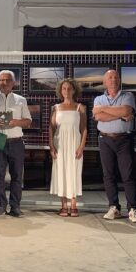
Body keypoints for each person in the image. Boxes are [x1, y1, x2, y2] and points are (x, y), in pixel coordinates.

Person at [0, 69, 31, 217]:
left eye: (8, 80)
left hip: (16, 141)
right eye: (1, 80)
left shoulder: (21, 100)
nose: (4, 82)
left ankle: (15, 207)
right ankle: (1, 206)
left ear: (13, 83)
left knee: (17, 176)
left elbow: (28, 121)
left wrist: (16, 122)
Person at [93, 69, 136, 223]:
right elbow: (98, 116)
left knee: (128, 175)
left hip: (124, 139)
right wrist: (120, 115)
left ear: (119, 80)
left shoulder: (128, 96)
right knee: (108, 175)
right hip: (105, 140)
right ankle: (114, 207)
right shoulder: (98, 98)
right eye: (110, 77)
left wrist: (104, 110)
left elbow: (126, 110)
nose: (113, 80)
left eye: (115, 77)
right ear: (104, 82)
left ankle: (133, 209)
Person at [49, 79, 87, 217]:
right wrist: (51, 146)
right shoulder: (56, 108)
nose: (66, 91)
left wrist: (81, 146)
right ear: (60, 91)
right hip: (59, 144)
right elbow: (52, 128)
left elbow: (84, 129)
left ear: (74, 90)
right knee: (61, 172)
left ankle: (74, 205)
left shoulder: (80, 107)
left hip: (74, 143)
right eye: (64, 88)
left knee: (74, 172)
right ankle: (64, 206)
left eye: (69, 88)